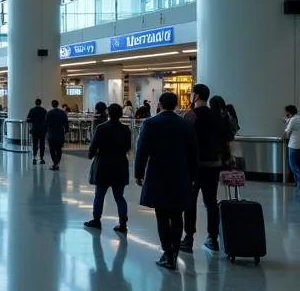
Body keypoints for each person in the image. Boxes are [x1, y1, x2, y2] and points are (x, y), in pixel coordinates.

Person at [134, 91, 199, 270]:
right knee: (177, 215)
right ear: (176, 105)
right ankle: (175, 251)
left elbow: (142, 151)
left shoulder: (150, 123)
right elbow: (193, 153)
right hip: (181, 175)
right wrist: (193, 176)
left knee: (162, 215)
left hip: (158, 174)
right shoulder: (186, 124)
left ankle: (167, 253)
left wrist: (138, 173)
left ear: (160, 104)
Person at [182, 83, 232, 254]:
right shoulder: (217, 116)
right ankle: (213, 238)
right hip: (213, 165)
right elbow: (226, 139)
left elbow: (185, 142)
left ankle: (188, 238)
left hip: (194, 167)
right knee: (211, 201)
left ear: (196, 96)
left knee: (190, 201)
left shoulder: (190, 115)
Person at [84, 103, 132, 234]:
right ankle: (123, 223)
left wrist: (90, 155)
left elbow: (94, 145)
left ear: (108, 113)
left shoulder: (101, 128)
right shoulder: (126, 129)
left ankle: (96, 220)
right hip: (120, 164)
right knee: (119, 196)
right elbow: (128, 146)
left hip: (103, 164)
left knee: (99, 195)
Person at [45, 99, 69, 170]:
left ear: (52, 105)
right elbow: (66, 124)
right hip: (60, 134)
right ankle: (57, 163)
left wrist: (46, 131)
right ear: (58, 104)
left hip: (51, 134)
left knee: (52, 150)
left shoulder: (49, 113)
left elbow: (45, 123)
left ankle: (55, 163)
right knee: (59, 149)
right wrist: (66, 131)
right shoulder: (63, 113)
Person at [26, 99, 48, 165]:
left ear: (35, 103)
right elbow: (46, 120)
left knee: (35, 143)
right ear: (41, 103)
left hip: (35, 129)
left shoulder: (32, 110)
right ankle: (41, 157)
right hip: (42, 130)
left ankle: (34, 157)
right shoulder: (44, 110)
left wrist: (33, 121)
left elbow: (28, 120)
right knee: (42, 144)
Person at [284, 105, 300, 189]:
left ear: (289, 113)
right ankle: (297, 183)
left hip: (293, 146)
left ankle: (299, 181)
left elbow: (287, 133)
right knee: (298, 165)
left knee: (293, 166)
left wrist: (288, 123)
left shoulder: (293, 120)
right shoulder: (298, 118)